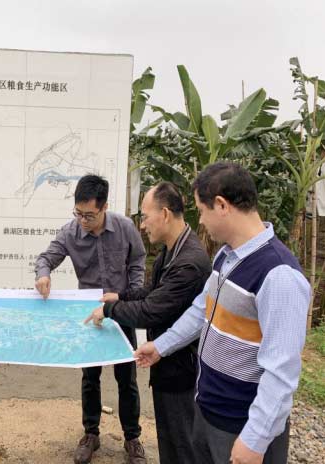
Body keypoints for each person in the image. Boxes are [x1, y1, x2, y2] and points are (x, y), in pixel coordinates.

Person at [135, 163, 311, 464]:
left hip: (241, 426)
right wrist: (161, 346)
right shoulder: (226, 257)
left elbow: (281, 372)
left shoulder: (278, 274)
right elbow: (201, 310)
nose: (201, 222)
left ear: (222, 205)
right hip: (208, 410)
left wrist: (255, 439)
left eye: (202, 211)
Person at [84, 182, 211, 463]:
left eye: (145, 216)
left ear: (164, 214)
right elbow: (153, 291)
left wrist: (109, 309)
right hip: (166, 362)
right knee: (169, 439)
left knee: (181, 444)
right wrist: (121, 296)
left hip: (182, 371)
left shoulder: (188, 262)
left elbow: (151, 311)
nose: (142, 225)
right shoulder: (172, 250)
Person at [34, 174, 148, 464]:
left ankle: (132, 437)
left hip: (120, 309)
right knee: (90, 377)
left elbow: (137, 260)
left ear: (104, 207)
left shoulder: (124, 227)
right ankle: (90, 434)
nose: (83, 221)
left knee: (127, 378)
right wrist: (43, 275)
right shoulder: (70, 232)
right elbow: (46, 258)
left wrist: (132, 295)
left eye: (89, 215)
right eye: (78, 213)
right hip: (89, 314)